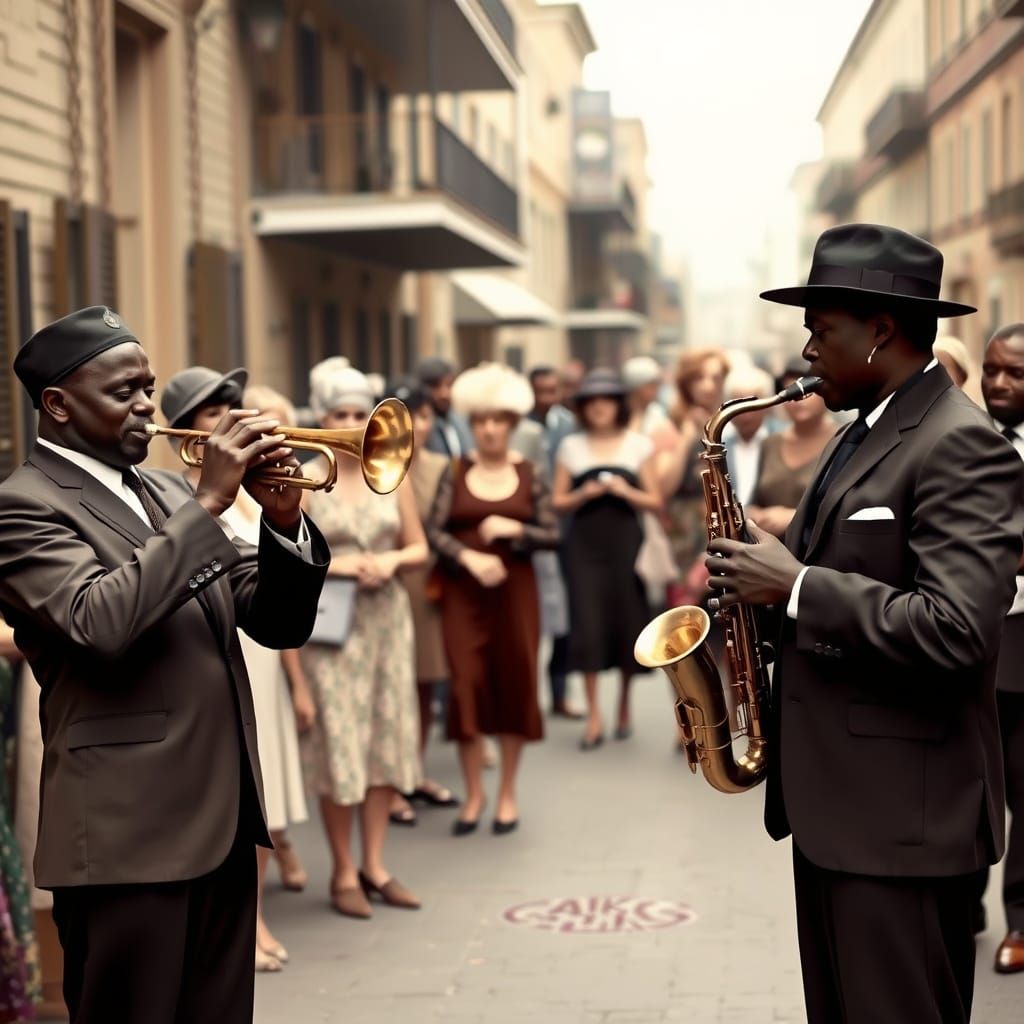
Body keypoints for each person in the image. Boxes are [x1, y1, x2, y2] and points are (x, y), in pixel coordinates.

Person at [705, 224, 1024, 1023]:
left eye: (822, 330)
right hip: (840, 815)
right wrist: (754, 604)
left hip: (903, 827)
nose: (807, 351)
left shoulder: (963, 446)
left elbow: (956, 629)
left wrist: (799, 586)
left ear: (882, 330)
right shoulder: (863, 433)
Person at [0, 306, 329, 1024]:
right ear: (56, 404)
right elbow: (99, 622)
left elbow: (273, 619)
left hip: (220, 821)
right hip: (128, 838)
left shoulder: (167, 491)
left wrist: (281, 523)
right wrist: (212, 500)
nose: (148, 405)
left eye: (148, 386)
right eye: (124, 391)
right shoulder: (22, 507)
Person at [154, 370, 312, 976]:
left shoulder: (250, 488)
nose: (229, 416)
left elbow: (275, 596)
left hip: (262, 658)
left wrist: (285, 511)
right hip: (212, 657)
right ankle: (247, 922)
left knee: (263, 794)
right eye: (210, 410)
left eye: (232, 405)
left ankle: (256, 912)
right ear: (187, 432)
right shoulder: (171, 494)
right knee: (232, 797)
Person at [282, 359, 426, 920]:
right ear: (322, 418)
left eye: (356, 413)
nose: (349, 422)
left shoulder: (393, 473)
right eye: (338, 414)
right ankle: (343, 869)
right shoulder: (309, 480)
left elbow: (419, 548)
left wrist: (389, 561)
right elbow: (290, 562)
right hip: (332, 629)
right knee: (340, 748)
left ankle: (376, 864)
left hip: (387, 622)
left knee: (384, 743)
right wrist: (340, 567)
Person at [427, 363, 559, 835]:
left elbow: (553, 534)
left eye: (497, 420)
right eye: (479, 420)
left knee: (513, 684)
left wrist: (516, 529)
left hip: (515, 595)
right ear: (470, 423)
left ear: (511, 424)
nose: (488, 429)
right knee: (464, 687)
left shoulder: (531, 472)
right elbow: (433, 532)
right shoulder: (455, 471)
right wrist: (467, 557)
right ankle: (473, 794)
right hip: (464, 596)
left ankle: (506, 792)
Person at [553, 369, 663, 749]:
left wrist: (623, 490)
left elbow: (655, 500)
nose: (599, 407)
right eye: (592, 401)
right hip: (584, 547)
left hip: (626, 545)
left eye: (607, 399)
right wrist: (584, 493)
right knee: (587, 622)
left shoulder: (638, 445)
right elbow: (557, 501)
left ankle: (624, 705)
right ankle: (594, 714)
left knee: (626, 620)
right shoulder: (571, 447)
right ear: (583, 407)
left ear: (618, 405)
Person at [384, 379, 460, 826]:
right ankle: (391, 783)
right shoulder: (371, 461)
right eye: (409, 414)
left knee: (426, 683)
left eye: (427, 415)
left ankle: (414, 770)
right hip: (387, 584)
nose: (418, 424)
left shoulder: (441, 466)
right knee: (394, 686)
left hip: (431, 585)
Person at [976, 324, 1024, 973]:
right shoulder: (963, 438)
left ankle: (1021, 919)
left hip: (1021, 634)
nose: (998, 385)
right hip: (958, 634)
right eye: (991, 371)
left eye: (1015, 374)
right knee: (969, 784)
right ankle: (962, 906)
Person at [527, 366, 581, 719]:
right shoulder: (519, 425)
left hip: (564, 530)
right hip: (530, 531)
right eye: (540, 391)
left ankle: (559, 693)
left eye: (552, 390)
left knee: (565, 616)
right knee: (530, 614)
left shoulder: (570, 426)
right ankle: (527, 696)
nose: (546, 397)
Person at [657, 347, 730, 604]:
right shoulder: (671, 425)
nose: (708, 385)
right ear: (686, 382)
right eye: (700, 377)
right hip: (683, 533)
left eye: (716, 377)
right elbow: (663, 488)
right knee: (685, 615)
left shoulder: (727, 422)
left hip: (720, 526)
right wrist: (687, 434)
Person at [747, 358, 835, 539]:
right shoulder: (770, 443)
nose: (799, 400)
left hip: (815, 554)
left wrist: (795, 517)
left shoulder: (843, 440)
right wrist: (754, 515)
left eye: (807, 392)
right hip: (767, 551)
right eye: (791, 392)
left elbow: (848, 509)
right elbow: (755, 501)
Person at [719, 365, 773, 507]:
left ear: (767, 404)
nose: (746, 414)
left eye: (753, 405)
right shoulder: (717, 443)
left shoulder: (782, 439)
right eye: (738, 404)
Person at [417, 357, 473, 457]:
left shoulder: (461, 421)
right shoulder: (419, 426)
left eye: (449, 385)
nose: (444, 393)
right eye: (435, 386)